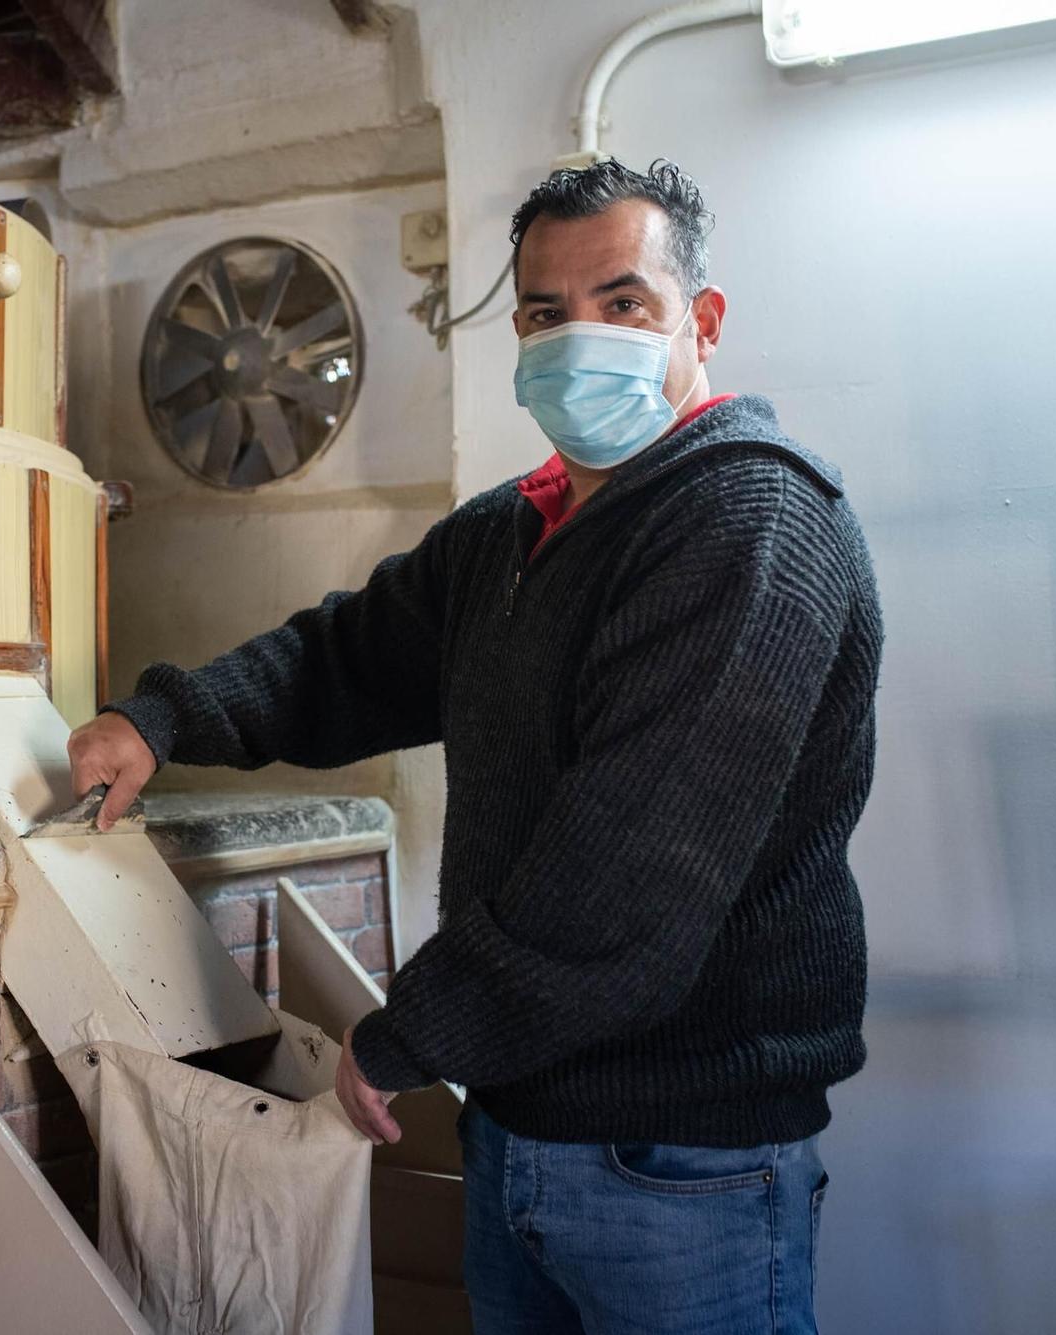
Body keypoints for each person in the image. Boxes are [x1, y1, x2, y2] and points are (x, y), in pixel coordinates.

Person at [66, 157, 881, 1335]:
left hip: (680, 1162)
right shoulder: (515, 528)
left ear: (698, 322)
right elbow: (343, 661)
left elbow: (626, 871)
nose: (577, 338)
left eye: (622, 303)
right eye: (546, 315)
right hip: (518, 1126)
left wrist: (411, 1037)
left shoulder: (745, 522)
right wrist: (161, 719)